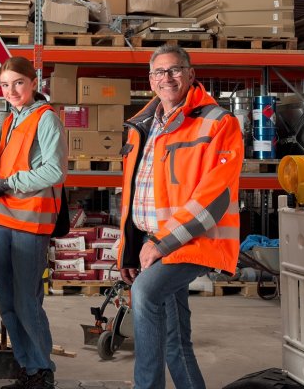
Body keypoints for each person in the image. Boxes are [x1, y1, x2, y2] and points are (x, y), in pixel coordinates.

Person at [117, 44, 243, 389]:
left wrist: (161, 243)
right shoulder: (142, 126)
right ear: (150, 80)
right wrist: (131, 249)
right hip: (150, 240)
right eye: (160, 72)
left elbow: (215, 196)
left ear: (190, 74)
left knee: (144, 293)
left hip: (194, 241)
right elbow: (134, 193)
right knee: (175, 338)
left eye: (175, 70)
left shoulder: (219, 122)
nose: (167, 78)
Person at [0, 56, 66, 389]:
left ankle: (41, 370)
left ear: (33, 83)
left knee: (26, 301)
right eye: (5, 85)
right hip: (5, 222)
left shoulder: (46, 119)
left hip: (31, 224)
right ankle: (27, 367)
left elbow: (54, 170)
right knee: (7, 301)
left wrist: (9, 183)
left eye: (18, 82)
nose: (12, 90)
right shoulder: (10, 120)